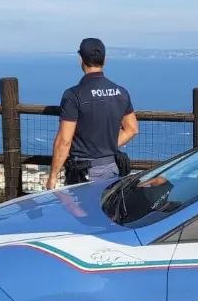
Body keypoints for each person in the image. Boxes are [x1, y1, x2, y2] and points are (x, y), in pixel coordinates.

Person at [46, 38, 138, 189]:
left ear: (80, 60)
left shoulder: (73, 95)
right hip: (113, 167)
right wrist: (106, 145)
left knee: (82, 212)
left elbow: (64, 141)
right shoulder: (121, 92)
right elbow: (132, 128)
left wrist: (53, 177)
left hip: (83, 171)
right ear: (105, 60)